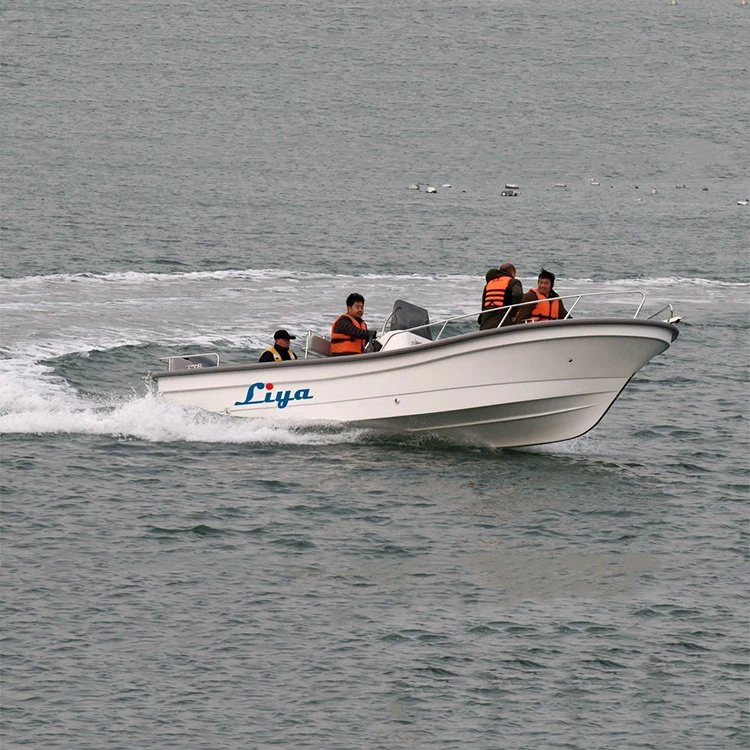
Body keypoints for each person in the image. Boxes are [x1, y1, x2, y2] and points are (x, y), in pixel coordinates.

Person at [478, 262, 523, 329]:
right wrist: (513, 314)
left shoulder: (489, 284)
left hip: (485, 322)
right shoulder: (513, 282)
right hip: (503, 322)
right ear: (513, 273)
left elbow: (484, 304)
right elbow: (518, 294)